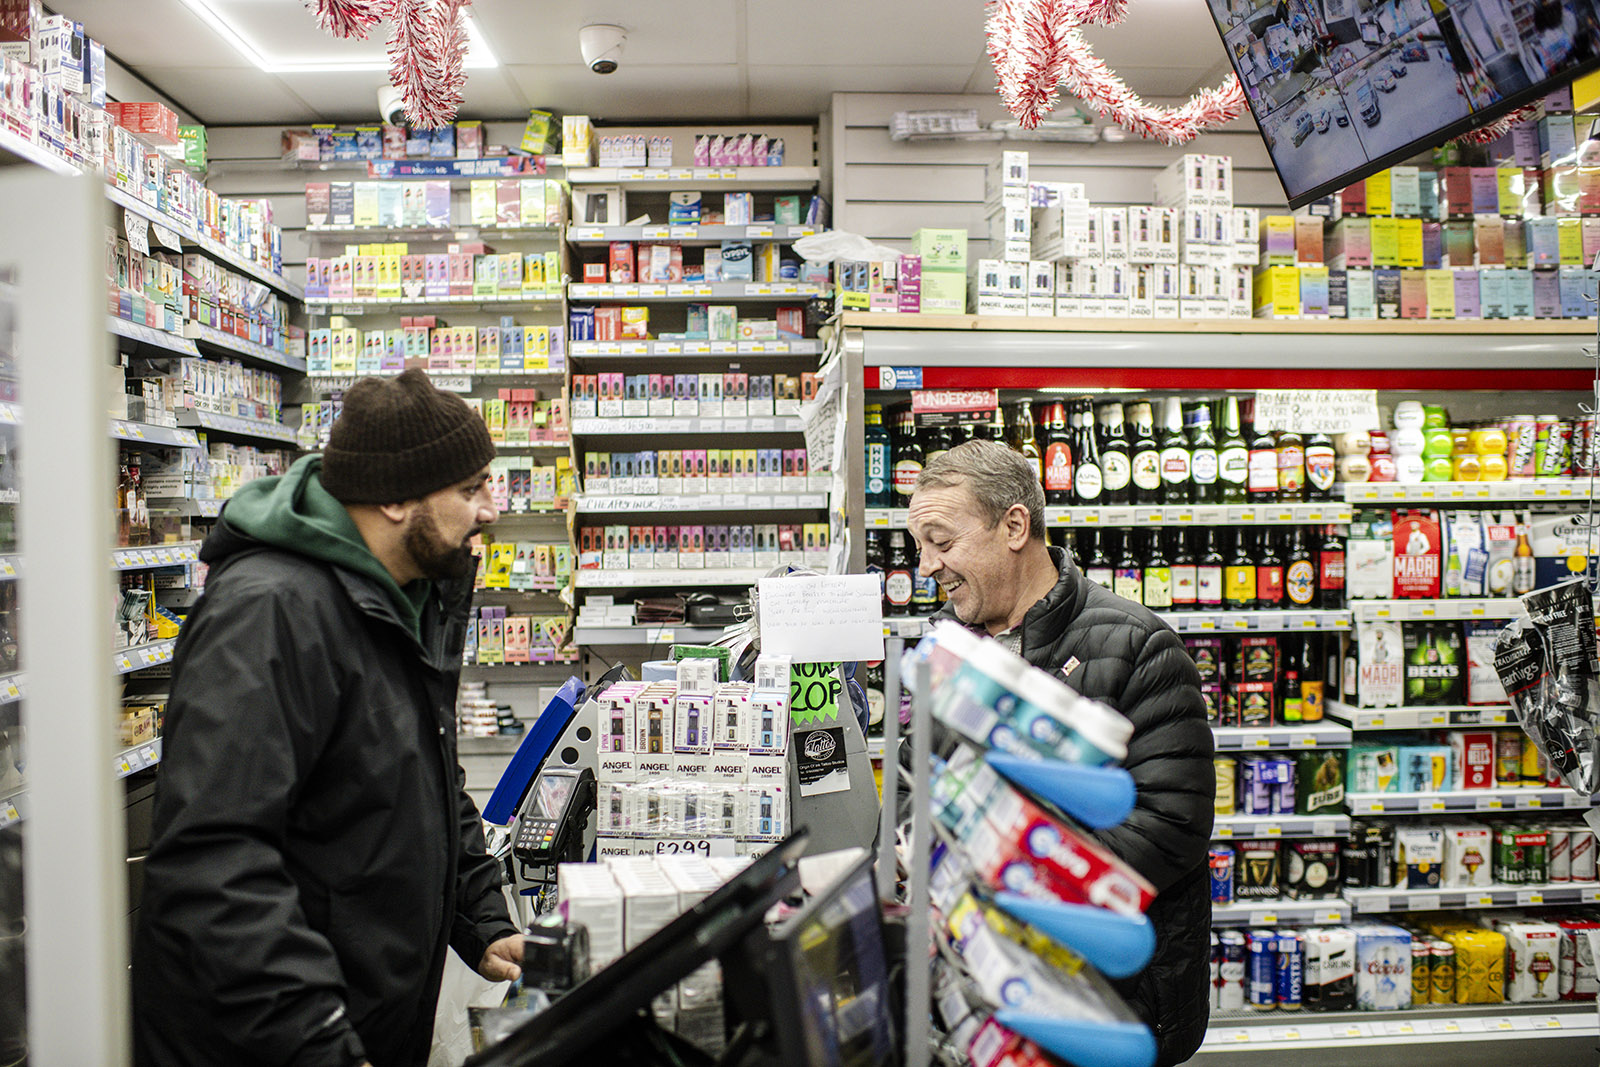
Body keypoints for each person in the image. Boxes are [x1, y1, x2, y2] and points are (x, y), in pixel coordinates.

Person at [133, 369, 523, 1067]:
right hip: (275, 1039)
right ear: (399, 497)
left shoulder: (405, 594)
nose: (490, 509)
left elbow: (424, 776)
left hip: (363, 1016)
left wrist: (485, 917)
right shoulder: (270, 613)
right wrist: (317, 1041)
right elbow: (218, 865)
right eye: (470, 489)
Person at [907, 439, 1214, 1067]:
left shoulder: (1139, 645)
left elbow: (1171, 827)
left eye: (941, 541)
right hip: (988, 986)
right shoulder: (948, 647)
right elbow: (926, 783)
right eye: (920, 547)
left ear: (1015, 525)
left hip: (1108, 1000)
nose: (925, 566)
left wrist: (1011, 871)